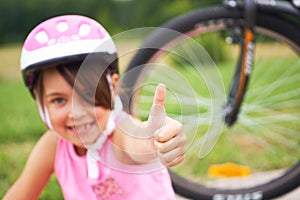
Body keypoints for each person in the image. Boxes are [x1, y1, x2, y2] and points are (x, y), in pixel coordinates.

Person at [4, 15, 186, 200]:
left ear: (112, 87)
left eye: (88, 96)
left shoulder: (121, 135)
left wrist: (156, 139)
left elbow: (139, 140)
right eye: (59, 100)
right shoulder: (53, 146)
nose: (76, 113)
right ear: (40, 102)